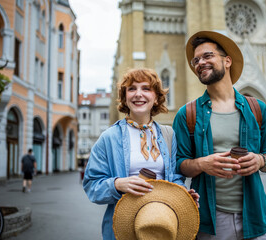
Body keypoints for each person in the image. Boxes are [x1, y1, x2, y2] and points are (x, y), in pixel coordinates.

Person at [173, 31, 266, 239]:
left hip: (255, 217)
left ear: (227, 61)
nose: (200, 62)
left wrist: (259, 160)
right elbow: (179, 164)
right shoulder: (187, 114)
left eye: (207, 56)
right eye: (196, 60)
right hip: (210, 221)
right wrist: (202, 164)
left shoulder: (258, 109)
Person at [83, 68, 199, 240]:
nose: (138, 94)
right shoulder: (109, 138)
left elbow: (174, 177)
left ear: (156, 97)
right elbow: (92, 185)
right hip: (124, 226)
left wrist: (182, 194)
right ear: (124, 97)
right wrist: (117, 184)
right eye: (132, 89)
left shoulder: (168, 134)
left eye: (146, 88)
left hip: (161, 223)